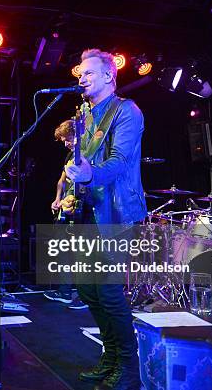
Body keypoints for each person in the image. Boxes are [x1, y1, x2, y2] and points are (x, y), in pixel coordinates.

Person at [65, 48, 147, 390]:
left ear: (109, 77)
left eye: (88, 73)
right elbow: (81, 164)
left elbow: (118, 164)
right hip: (86, 213)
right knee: (88, 290)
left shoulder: (127, 112)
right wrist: (71, 190)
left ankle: (129, 369)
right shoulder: (84, 114)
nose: (81, 78)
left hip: (115, 214)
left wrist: (87, 177)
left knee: (110, 293)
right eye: (80, 73)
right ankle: (110, 357)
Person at [44, 119, 88, 310]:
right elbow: (61, 181)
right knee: (63, 252)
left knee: (82, 255)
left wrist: (71, 199)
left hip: (83, 208)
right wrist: (57, 199)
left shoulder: (87, 153)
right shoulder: (70, 155)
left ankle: (85, 296)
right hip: (67, 208)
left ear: (77, 135)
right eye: (63, 140)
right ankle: (65, 292)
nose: (65, 143)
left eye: (67, 139)